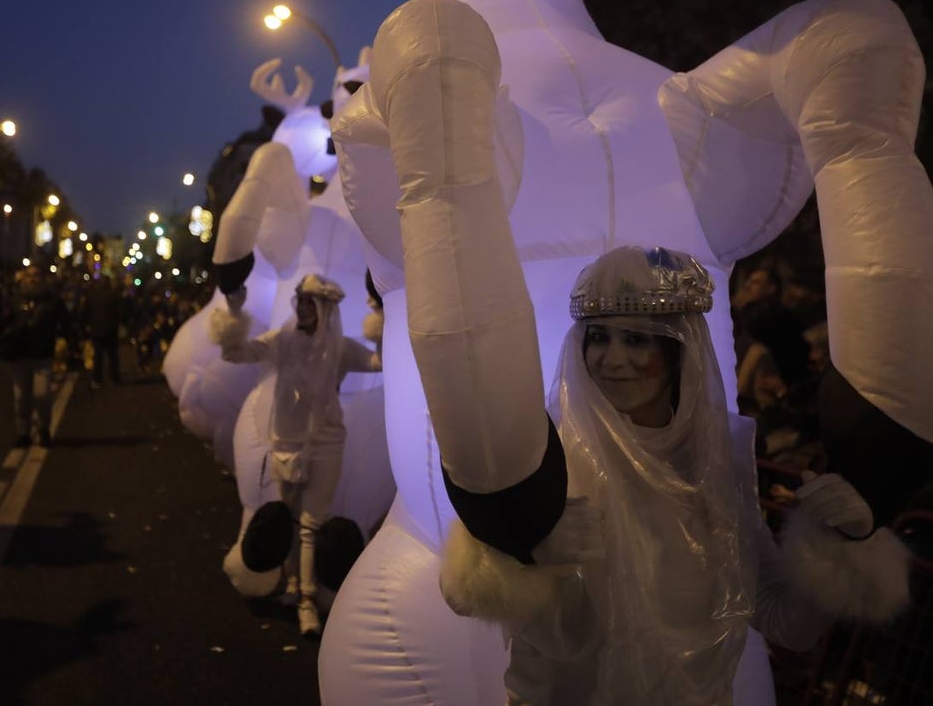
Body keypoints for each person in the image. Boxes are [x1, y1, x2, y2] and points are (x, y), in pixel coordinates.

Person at [434, 246, 910, 705]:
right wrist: (519, 550)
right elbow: (463, 598)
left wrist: (839, 549)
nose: (612, 359)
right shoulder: (546, 451)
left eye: (636, 339)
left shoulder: (716, 457)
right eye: (598, 336)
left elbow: (784, 621)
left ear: (681, 350)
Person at [212, 273, 382, 637]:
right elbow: (236, 352)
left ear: (324, 308)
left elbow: (377, 362)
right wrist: (234, 311)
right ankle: (291, 585)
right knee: (288, 517)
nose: (303, 308)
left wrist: (382, 318)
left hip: (326, 443)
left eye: (311, 302)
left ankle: (307, 600)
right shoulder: (284, 340)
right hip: (286, 443)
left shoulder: (339, 347)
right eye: (300, 301)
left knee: (310, 524)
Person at [0, 267, 70, 449]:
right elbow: (2, 319)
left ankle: (43, 429)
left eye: (36, 276)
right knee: (21, 397)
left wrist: (74, 343)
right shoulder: (15, 299)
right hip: (20, 353)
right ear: (23, 279)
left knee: (43, 395)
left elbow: (65, 321)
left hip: (42, 353)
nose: (32, 280)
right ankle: (23, 432)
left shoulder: (52, 300)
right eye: (29, 276)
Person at [82, 274, 122, 387]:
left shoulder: (91, 295)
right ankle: (114, 378)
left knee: (98, 355)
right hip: (111, 329)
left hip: (96, 329)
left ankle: (97, 379)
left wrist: (85, 325)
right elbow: (118, 312)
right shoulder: (113, 295)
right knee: (113, 355)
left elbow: (85, 312)